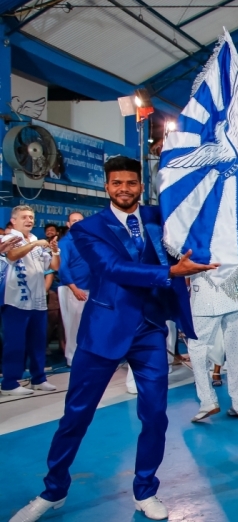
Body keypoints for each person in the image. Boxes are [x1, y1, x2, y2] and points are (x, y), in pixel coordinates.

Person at [9, 156, 212, 522]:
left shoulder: (157, 216)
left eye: (130, 183)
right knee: (75, 417)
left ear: (139, 186)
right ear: (106, 187)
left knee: (155, 416)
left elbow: (194, 220)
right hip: (103, 330)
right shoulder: (88, 229)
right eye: (116, 183)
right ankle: (53, 491)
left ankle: (145, 490)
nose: (124, 189)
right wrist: (170, 271)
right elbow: (111, 269)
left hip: (150, 330)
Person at [187, 256, 238, 422]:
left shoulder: (195, 230)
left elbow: (184, 262)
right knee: (236, 350)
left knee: (198, 347)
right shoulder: (237, 230)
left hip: (205, 291)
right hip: (235, 292)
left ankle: (208, 400)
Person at [1, 206, 60, 396]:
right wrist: (35, 245)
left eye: (32, 217)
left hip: (37, 300)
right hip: (16, 300)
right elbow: (12, 255)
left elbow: (52, 266)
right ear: (14, 220)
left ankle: (38, 378)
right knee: (15, 342)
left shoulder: (35, 240)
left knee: (38, 341)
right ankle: (10, 382)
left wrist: (55, 251)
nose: (29, 220)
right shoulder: (8, 238)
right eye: (25, 217)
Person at [57, 212, 88, 368]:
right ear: (68, 224)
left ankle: (85, 356)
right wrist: (74, 288)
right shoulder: (65, 243)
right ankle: (72, 358)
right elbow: (62, 268)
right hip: (73, 289)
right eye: (74, 221)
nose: (77, 223)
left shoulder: (87, 240)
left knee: (86, 325)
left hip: (89, 288)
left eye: (80, 221)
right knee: (73, 326)